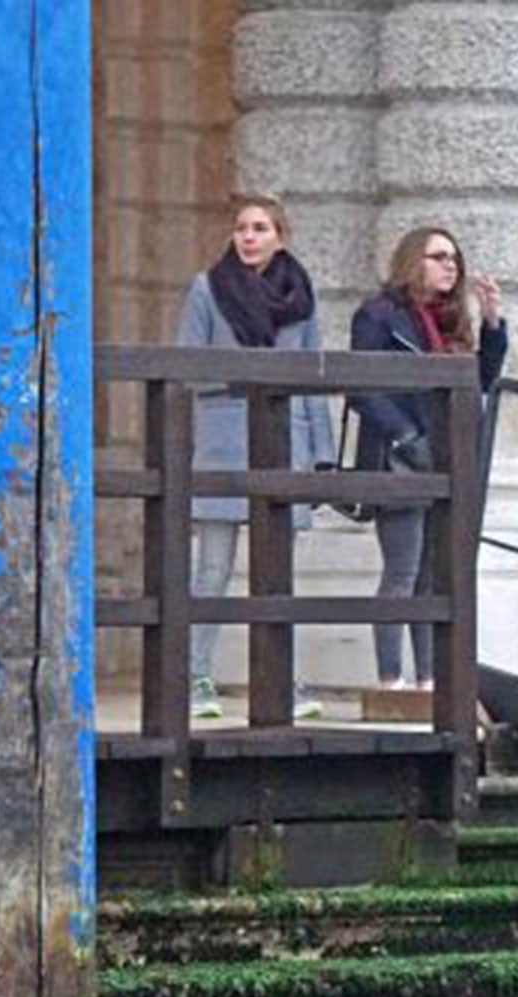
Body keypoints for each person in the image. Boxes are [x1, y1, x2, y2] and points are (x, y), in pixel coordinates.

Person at [173, 193, 335, 720]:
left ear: (279, 236)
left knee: (278, 575)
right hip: (224, 437)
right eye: (241, 227)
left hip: (286, 439)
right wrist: (250, 376)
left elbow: (312, 377)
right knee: (212, 569)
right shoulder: (206, 288)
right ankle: (194, 677)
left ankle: (285, 681)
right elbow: (188, 366)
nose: (248, 236)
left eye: (260, 227)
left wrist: (322, 453)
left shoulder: (301, 294)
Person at [348, 225, 508, 690]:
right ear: (413, 261)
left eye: (454, 258)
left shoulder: (451, 319)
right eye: (439, 257)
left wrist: (493, 323)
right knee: (402, 571)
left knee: (433, 580)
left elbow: (482, 380)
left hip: (450, 459)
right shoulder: (378, 316)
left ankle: (430, 680)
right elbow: (362, 386)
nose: (450, 265)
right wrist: (405, 436)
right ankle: (390, 679)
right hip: (401, 460)